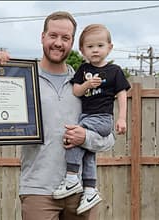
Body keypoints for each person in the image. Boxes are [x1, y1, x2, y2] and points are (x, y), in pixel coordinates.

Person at [0, 13, 115, 220]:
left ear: (72, 43)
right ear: (42, 37)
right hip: (38, 189)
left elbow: (109, 139)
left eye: (65, 38)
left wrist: (85, 138)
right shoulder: (22, 80)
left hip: (81, 192)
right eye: (53, 35)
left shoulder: (85, 85)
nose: (58, 43)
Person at [52, 24, 131, 215]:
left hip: (103, 119)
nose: (95, 50)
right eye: (90, 47)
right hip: (87, 116)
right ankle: (89, 189)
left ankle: (71, 178)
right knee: (88, 152)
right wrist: (87, 83)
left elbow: (121, 95)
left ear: (109, 47)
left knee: (74, 133)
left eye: (100, 45)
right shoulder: (83, 69)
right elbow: (76, 91)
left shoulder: (114, 71)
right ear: (82, 50)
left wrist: (121, 119)